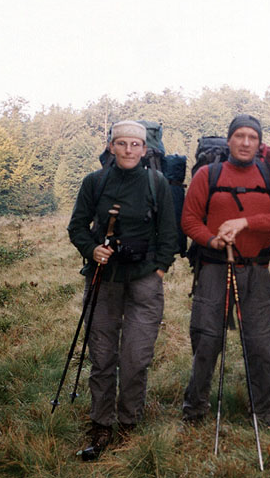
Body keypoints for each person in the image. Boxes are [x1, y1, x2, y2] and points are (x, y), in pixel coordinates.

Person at [67, 120, 177, 460]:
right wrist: (92, 250)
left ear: (145, 150)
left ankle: (129, 421)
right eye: (122, 144)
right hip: (104, 280)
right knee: (101, 355)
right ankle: (101, 422)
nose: (129, 150)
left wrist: (158, 269)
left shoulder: (156, 183)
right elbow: (77, 227)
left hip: (144, 280)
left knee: (135, 357)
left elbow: (169, 235)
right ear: (111, 147)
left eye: (135, 145)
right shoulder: (94, 183)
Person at [181, 114, 270, 428]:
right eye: (240, 136)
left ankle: (264, 413)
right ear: (229, 139)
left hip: (256, 271)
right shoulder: (208, 175)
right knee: (206, 340)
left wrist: (245, 222)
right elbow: (189, 220)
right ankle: (194, 410)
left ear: (259, 143)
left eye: (252, 137)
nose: (245, 142)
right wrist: (212, 240)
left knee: (260, 343)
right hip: (213, 269)